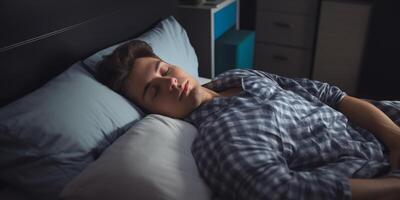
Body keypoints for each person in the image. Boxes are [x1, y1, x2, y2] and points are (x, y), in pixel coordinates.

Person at [96, 40, 400, 200]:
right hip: (378, 173)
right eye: (153, 91)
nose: (170, 83)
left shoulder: (240, 75)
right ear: (153, 112)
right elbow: (278, 191)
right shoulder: (221, 137)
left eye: (164, 71)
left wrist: (394, 136)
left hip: (385, 126)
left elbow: (329, 95)